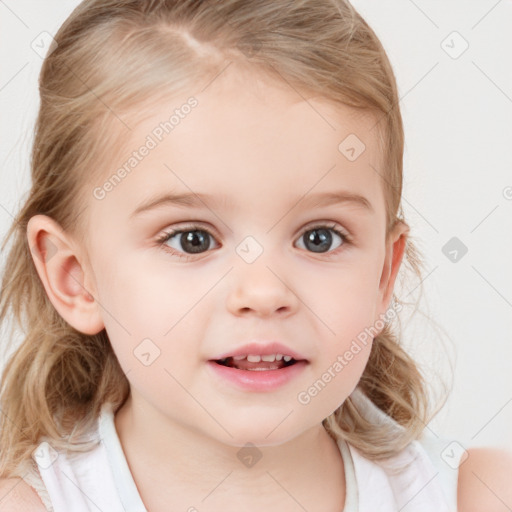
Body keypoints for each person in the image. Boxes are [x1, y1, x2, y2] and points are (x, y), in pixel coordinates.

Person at [0, 0, 510, 511]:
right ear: (75, 277)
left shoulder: (479, 495)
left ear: (383, 274)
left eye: (320, 238)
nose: (264, 292)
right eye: (192, 239)